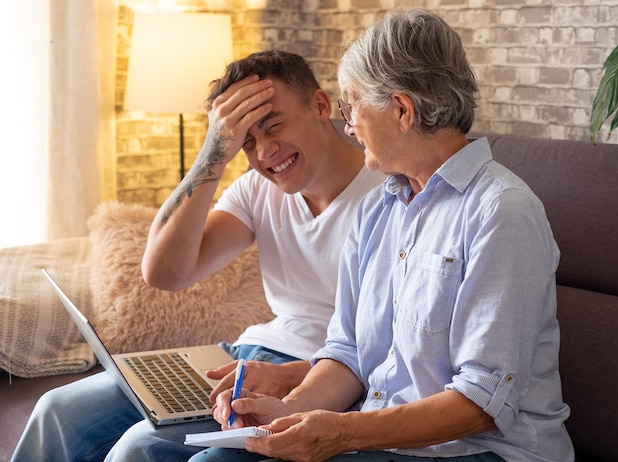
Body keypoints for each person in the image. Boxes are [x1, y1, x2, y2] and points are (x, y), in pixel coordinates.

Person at [201, 9, 575, 462]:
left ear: (402, 110)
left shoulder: (501, 210)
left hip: (480, 452)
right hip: (387, 441)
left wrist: (342, 432)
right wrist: (286, 415)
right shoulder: (377, 208)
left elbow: (483, 401)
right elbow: (350, 354)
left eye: (351, 105)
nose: (349, 124)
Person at [10, 50, 384, 462]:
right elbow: (165, 271)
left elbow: (388, 346)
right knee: (58, 410)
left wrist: (292, 378)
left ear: (319, 105)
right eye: (245, 141)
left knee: (140, 448)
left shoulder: (388, 189)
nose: (264, 152)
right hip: (243, 355)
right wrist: (212, 154)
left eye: (274, 125)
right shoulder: (258, 191)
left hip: (320, 375)